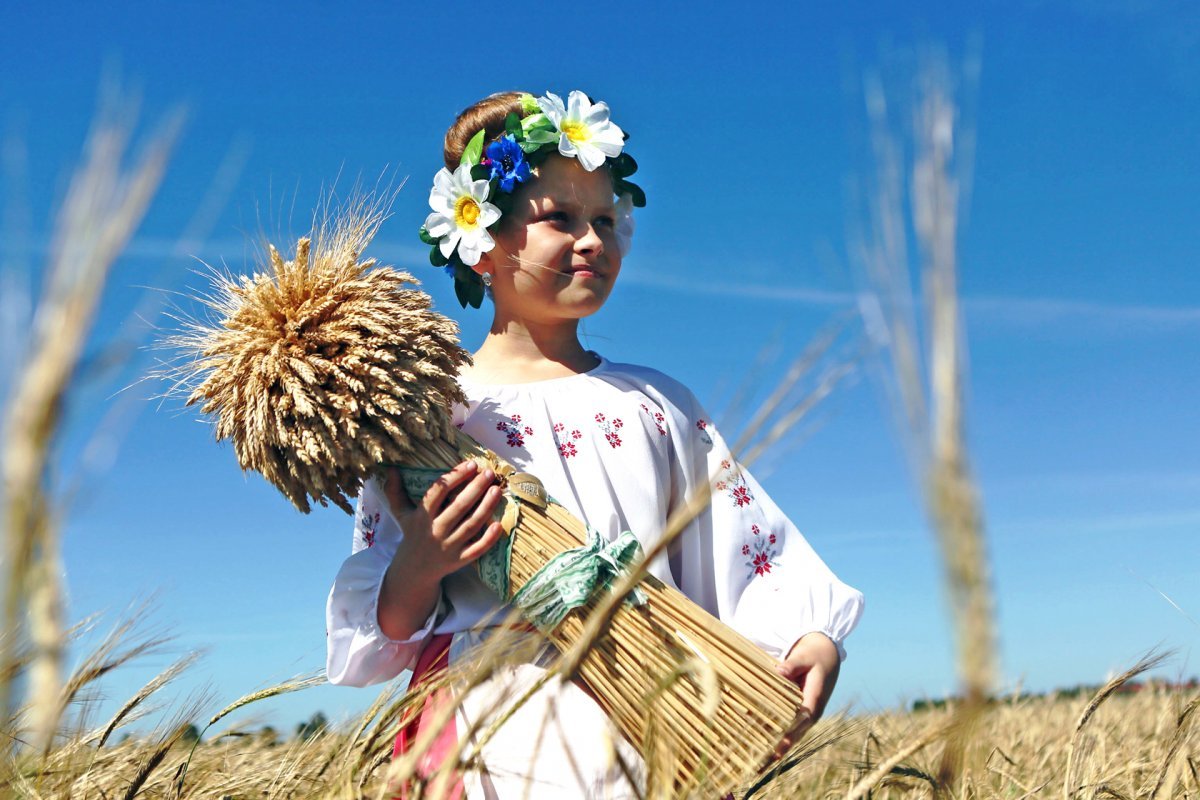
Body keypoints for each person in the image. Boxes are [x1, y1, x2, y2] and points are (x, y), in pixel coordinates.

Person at [326, 89, 864, 798]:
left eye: (608, 220)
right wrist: (422, 564)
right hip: (488, 726)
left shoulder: (657, 405)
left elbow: (741, 547)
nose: (593, 240)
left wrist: (809, 637)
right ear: (482, 243)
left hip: (655, 709)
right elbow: (387, 621)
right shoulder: (432, 416)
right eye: (561, 219)